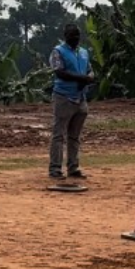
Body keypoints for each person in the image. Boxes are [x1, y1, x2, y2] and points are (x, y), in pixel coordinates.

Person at [48, 23, 94, 181]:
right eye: (72, 36)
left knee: (74, 136)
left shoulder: (83, 52)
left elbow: (89, 69)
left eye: (77, 36)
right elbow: (59, 72)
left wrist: (89, 78)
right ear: (65, 36)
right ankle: (55, 168)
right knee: (58, 134)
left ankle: (73, 167)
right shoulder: (58, 51)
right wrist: (80, 78)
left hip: (81, 98)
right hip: (63, 97)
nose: (75, 39)